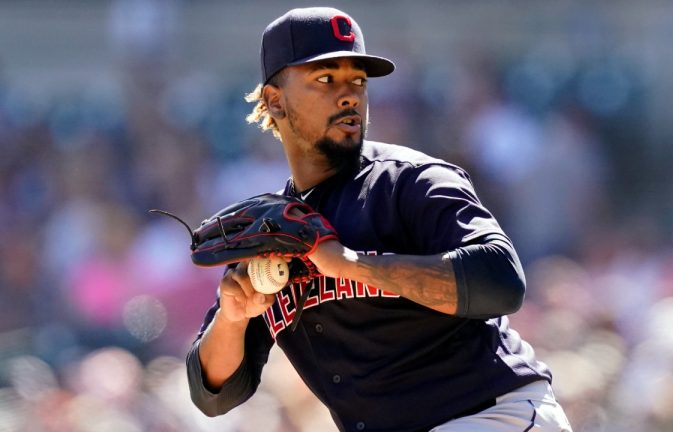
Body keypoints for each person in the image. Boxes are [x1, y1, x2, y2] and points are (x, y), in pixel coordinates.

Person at [186, 7, 572, 432]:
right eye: (325, 79)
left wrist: (349, 264)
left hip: (491, 415)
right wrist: (233, 317)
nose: (349, 94)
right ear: (274, 100)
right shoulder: (273, 230)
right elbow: (214, 393)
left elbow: (500, 280)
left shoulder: (410, 181)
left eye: (358, 81)